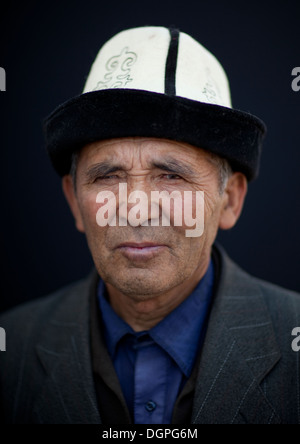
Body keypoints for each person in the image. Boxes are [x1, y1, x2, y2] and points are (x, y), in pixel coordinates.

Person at [0, 26, 299, 425]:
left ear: (230, 200)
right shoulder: (12, 348)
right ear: (74, 201)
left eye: (171, 176)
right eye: (108, 176)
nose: (136, 211)